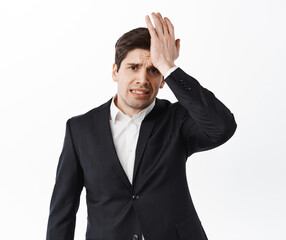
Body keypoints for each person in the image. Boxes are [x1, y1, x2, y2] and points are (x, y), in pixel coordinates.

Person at [46, 12, 237, 240]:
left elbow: (222, 127)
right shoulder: (80, 129)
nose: (143, 79)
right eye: (134, 67)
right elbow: (63, 211)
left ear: (163, 80)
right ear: (116, 71)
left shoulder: (177, 120)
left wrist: (169, 66)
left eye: (153, 70)